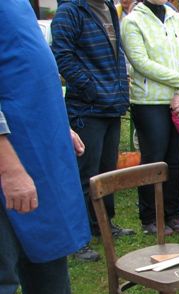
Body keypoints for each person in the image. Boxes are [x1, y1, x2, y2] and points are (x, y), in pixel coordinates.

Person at [1, 0, 90, 294]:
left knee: (50, 253)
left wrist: (59, 122)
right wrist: (9, 168)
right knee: (2, 275)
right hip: (10, 156)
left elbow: (30, 70)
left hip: (38, 143)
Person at [51, 0, 132, 263]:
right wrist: (91, 88)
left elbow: (115, 52)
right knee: (85, 174)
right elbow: (62, 56)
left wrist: (117, 91)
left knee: (106, 171)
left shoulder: (108, 8)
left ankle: (104, 225)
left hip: (112, 103)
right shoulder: (70, 11)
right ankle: (78, 239)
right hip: (86, 108)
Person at [121, 0, 179, 236]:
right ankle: (149, 215)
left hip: (178, 100)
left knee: (176, 160)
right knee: (153, 159)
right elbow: (140, 63)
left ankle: (172, 212)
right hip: (149, 101)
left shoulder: (178, 19)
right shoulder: (132, 21)